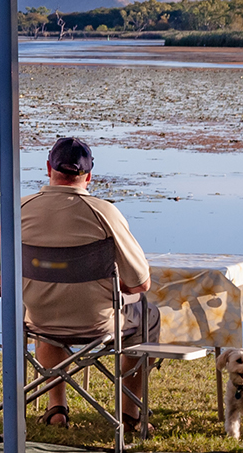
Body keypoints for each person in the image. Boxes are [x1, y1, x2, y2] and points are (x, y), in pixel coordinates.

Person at [21, 137, 158, 431]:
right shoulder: (104, 212)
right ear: (89, 175)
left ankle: (56, 407)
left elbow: (3, 279)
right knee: (149, 316)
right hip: (98, 324)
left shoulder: (17, 210)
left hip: (39, 319)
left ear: (48, 168)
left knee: (47, 305)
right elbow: (140, 285)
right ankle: (129, 414)